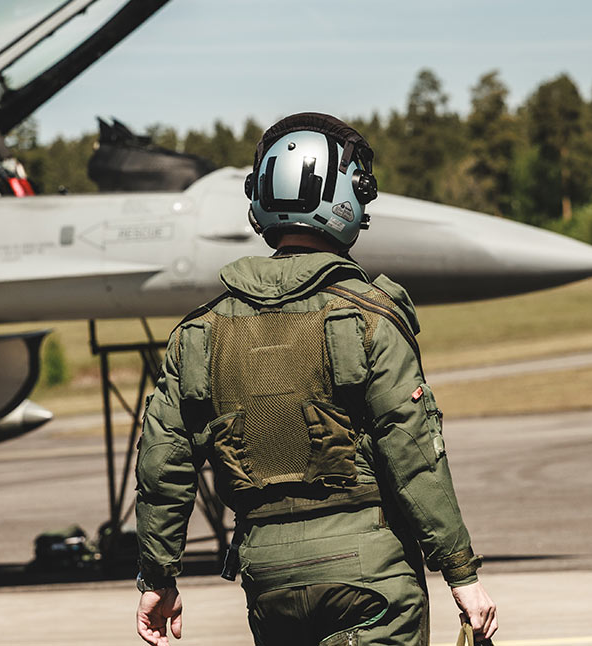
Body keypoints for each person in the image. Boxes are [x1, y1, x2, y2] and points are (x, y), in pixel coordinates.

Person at [134, 113, 497, 646]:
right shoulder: (370, 318)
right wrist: (461, 573)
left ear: (260, 201)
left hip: (269, 584)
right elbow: (413, 453)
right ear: (346, 197)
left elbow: (164, 461)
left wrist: (158, 576)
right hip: (372, 580)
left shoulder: (200, 333)